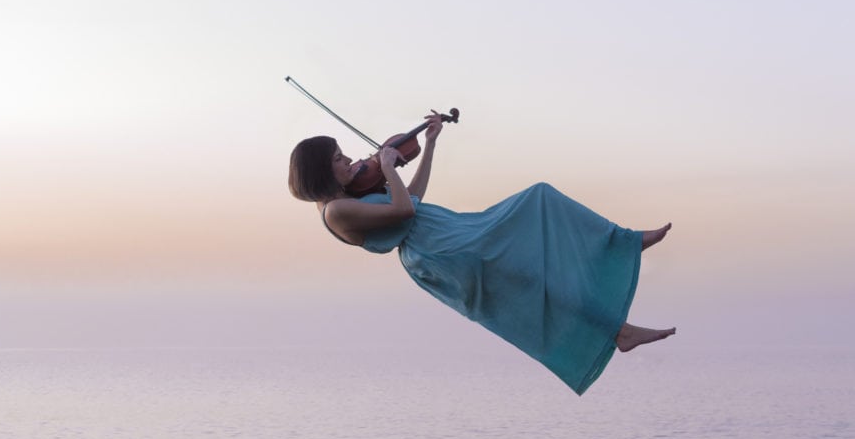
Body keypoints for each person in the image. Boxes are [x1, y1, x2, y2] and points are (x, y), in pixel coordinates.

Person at [288, 113, 675, 394]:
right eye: (339, 159)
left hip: (445, 232)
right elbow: (403, 210)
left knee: (537, 275)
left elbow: (415, 198)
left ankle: (618, 327)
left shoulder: (348, 196)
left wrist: (430, 146)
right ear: (321, 171)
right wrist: (387, 166)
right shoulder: (336, 211)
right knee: (538, 210)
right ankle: (623, 246)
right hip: (437, 248)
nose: (350, 160)